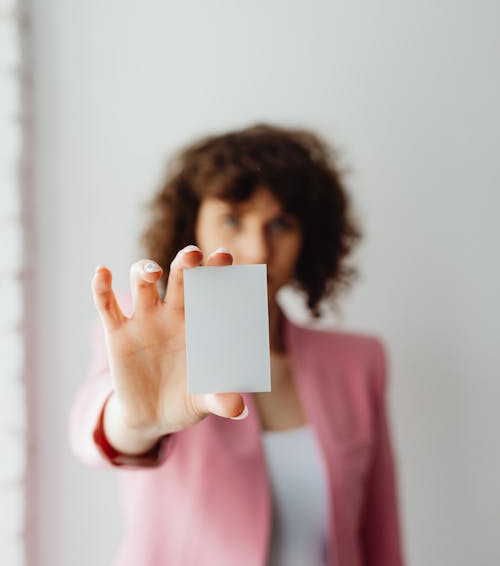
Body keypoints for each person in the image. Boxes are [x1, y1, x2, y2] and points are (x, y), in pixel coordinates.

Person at [69, 122, 405, 566]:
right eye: (233, 218)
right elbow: (95, 432)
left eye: (281, 223)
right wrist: (134, 420)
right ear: (193, 225)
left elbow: (380, 537)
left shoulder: (359, 363)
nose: (257, 248)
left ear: (310, 237)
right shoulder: (147, 333)